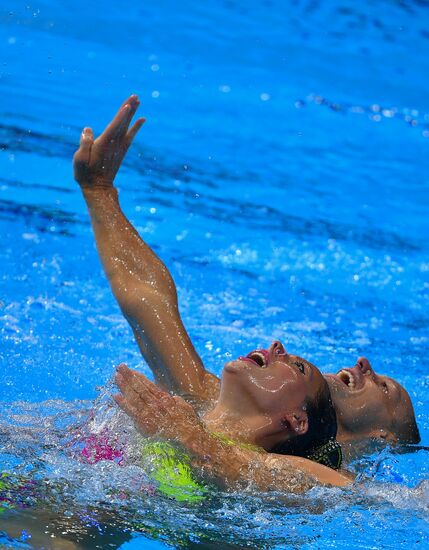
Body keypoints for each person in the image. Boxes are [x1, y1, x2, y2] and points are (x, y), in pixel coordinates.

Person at [73, 95, 349, 491]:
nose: (277, 345)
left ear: (296, 420)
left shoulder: (287, 473)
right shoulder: (191, 403)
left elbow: (353, 495)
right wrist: (99, 190)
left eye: (298, 366)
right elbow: (150, 302)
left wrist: (194, 440)